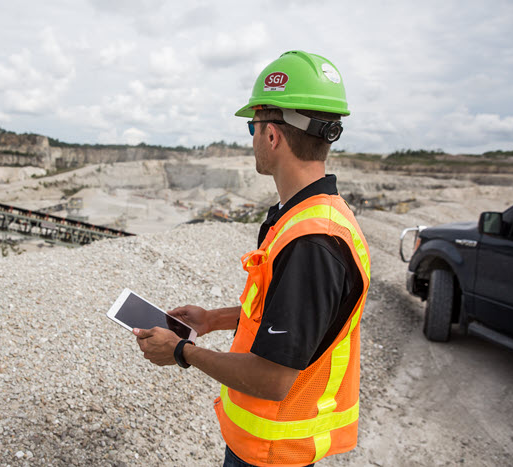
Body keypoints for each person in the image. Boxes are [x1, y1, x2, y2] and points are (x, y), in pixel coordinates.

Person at [134, 50, 371, 467]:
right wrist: (212, 319)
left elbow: (274, 378)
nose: (253, 139)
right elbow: (281, 316)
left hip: (272, 454)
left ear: (273, 136)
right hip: (263, 447)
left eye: (252, 127)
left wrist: (180, 352)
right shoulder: (306, 216)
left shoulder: (311, 242)